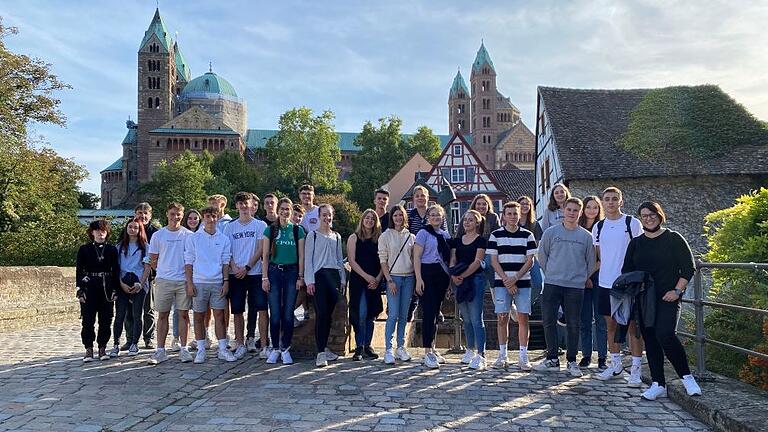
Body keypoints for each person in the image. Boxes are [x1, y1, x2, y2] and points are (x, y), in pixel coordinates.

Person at [623, 202, 702, 400]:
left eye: (652, 214)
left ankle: (687, 377)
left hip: (668, 296)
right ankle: (658, 383)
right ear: (640, 219)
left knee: (665, 334)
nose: (648, 218)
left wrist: (677, 290)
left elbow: (688, 267)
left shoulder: (673, 238)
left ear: (660, 215)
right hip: (644, 298)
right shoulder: (636, 243)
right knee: (650, 338)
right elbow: (627, 270)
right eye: (644, 216)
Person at [534, 198, 596, 377]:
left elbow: (590, 261)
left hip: (575, 287)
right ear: (564, 211)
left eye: (576, 210)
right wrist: (552, 272)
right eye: (569, 209)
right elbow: (542, 256)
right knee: (548, 321)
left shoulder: (586, 236)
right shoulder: (551, 233)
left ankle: (571, 360)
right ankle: (552, 358)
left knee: (573, 324)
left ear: (580, 212)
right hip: (553, 284)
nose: (572, 213)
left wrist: (581, 278)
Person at [593, 187, 645, 386]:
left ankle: (636, 369)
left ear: (621, 202)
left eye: (615, 199)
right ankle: (615, 365)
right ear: (603, 203)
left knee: (633, 327)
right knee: (611, 326)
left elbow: (640, 252)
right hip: (606, 283)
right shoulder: (598, 227)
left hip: (628, 284)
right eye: (607, 199)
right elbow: (599, 255)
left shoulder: (632, 223)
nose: (611, 202)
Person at [487, 201, 537, 370]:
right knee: (502, 318)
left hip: (522, 281)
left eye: (515, 213)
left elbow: (530, 261)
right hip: (502, 283)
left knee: (523, 318)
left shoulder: (527, 235)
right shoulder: (495, 235)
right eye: (509, 214)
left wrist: (515, 278)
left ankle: (523, 356)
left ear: (519, 215)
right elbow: (494, 261)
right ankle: (503, 355)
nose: (512, 217)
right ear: (504, 216)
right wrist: (507, 281)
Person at [185, 206, 235, 363]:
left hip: (217, 282)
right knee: (199, 316)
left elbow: (226, 262)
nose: (211, 219)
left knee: (219, 316)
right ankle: (200, 349)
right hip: (199, 282)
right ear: (203, 218)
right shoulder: (193, 238)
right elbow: (189, 262)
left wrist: (226, 281)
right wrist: (190, 283)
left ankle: (222, 349)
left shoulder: (223, 239)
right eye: (208, 216)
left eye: (214, 216)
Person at [223, 192, 269, 359]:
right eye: (240, 203)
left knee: (262, 309)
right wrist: (235, 267)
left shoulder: (260, 225)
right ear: (236, 206)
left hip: (255, 272)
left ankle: (264, 345)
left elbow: (260, 249)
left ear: (252, 205)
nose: (243, 206)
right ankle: (240, 343)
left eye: (246, 203)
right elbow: (227, 251)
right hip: (236, 273)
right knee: (237, 310)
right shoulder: (230, 227)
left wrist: (248, 267)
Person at [147, 203, 193, 365]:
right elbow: (153, 259)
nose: (175, 217)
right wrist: (163, 271)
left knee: (183, 314)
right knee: (162, 315)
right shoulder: (158, 236)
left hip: (183, 280)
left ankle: (184, 348)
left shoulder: (188, 235)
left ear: (182, 215)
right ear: (167, 214)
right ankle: (160, 350)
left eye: (178, 214)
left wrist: (189, 280)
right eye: (172, 214)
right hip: (164, 280)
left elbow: (191, 259)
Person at [261, 197, 306, 364]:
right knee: (275, 314)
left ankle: (286, 347)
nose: (285, 212)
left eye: (288, 209)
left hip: (291, 273)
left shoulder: (297, 230)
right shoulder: (270, 230)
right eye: (283, 208)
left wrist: (301, 276)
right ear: (278, 210)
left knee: (288, 314)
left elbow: (301, 255)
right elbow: (265, 256)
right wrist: (264, 277)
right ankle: (275, 348)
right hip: (274, 272)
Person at [304, 204, 346, 367]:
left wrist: (342, 279)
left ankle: (325, 347)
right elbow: (309, 259)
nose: (327, 218)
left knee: (329, 315)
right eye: (324, 215)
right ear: (319, 216)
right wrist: (310, 281)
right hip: (319, 276)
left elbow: (339, 259)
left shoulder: (336, 236)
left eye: (329, 215)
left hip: (333, 277)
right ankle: (320, 352)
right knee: (321, 314)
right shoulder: (313, 235)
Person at [76, 220, 120, 362]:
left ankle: (102, 347)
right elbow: (79, 271)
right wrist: (80, 290)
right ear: (92, 232)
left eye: (103, 231)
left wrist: (115, 289)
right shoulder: (84, 249)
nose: (101, 233)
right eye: (98, 230)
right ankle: (88, 348)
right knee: (88, 320)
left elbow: (115, 271)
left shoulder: (112, 250)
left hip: (106, 287)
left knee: (106, 320)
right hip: (90, 287)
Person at [413, 204, 451, 369]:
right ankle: (427, 350)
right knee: (428, 313)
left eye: (438, 215)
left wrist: (449, 281)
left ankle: (433, 348)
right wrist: (419, 278)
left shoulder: (445, 235)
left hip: (441, 275)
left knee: (436, 313)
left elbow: (449, 259)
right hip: (427, 273)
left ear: (442, 218)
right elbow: (416, 256)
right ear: (428, 217)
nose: (436, 217)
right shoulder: (423, 233)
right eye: (433, 215)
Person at [450, 210, 488, 370]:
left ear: (477, 223)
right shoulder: (457, 241)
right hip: (458, 281)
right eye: (465, 220)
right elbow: (453, 259)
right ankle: (470, 349)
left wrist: (462, 276)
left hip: (475, 280)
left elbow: (477, 262)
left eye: (471, 220)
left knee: (476, 318)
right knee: (465, 318)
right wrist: (453, 275)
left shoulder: (480, 241)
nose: (467, 222)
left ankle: (481, 354)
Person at [378, 205, 416, 364]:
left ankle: (400, 347)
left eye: (401, 215)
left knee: (403, 315)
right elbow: (383, 260)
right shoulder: (385, 236)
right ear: (391, 218)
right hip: (394, 278)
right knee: (392, 314)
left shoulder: (411, 236)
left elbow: (414, 259)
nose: (398, 218)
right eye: (395, 215)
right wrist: (389, 280)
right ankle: (388, 348)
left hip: (409, 278)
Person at [109, 219, 150, 357]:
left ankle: (134, 343)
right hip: (123, 281)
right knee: (120, 314)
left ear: (140, 230)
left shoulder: (145, 247)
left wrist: (141, 283)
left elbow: (147, 267)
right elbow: (115, 268)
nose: (132, 229)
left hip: (139, 281)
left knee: (137, 314)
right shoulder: (119, 247)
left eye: (136, 227)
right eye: (130, 227)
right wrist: (120, 283)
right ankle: (115, 344)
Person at [406, 186, 447, 324]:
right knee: (415, 280)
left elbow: (444, 234)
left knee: (433, 287)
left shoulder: (435, 213)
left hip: (433, 255)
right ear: (413, 199)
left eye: (422, 195)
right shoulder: (409, 214)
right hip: (414, 253)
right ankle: (413, 305)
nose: (420, 198)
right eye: (417, 196)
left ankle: (437, 310)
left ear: (427, 198)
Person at [348, 209, 384, 361]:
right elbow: (351, 261)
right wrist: (367, 277)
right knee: (360, 314)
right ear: (362, 220)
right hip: (359, 280)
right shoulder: (354, 238)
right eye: (367, 218)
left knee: (371, 315)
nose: (369, 220)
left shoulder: (379, 239)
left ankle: (368, 346)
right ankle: (359, 346)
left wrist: (377, 278)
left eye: (372, 218)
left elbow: (384, 261)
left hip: (374, 282)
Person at [577, 196, 607, 369]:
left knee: (601, 320)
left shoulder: (602, 228)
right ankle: (586, 355)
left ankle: (602, 356)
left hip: (597, 277)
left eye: (595, 207)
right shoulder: (578, 229)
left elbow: (600, 259)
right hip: (580, 278)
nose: (592, 210)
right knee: (584, 319)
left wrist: (588, 276)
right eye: (589, 207)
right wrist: (583, 277)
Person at [123, 202, 157, 350]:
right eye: (139, 213)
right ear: (135, 214)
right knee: (128, 311)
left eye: (145, 213)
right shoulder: (129, 229)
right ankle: (130, 339)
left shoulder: (155, 233)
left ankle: (148, 338)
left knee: (148, 309)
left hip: (148, 277)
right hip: (128, 277)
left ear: (150, 215)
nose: (142, 216)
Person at [517, 195, 544, 318]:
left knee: (538, 284)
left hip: (531, 258)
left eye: (527, 204)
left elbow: (538, 243)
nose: (525, 206)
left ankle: (527, 305)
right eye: (522, 204)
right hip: (515, 258)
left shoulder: (534, 224)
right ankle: (516, 306)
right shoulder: (513, 221)